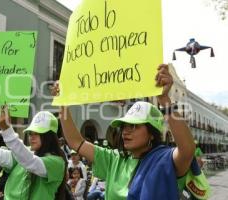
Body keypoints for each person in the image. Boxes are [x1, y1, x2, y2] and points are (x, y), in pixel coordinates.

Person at [52, 64, 195, 200]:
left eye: (134, 126)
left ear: (151, 133)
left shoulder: (164, 160)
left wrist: (165, 100)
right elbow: (76, 141)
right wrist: (61, 104)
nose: (125, 132)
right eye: (124, 126)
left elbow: (187, 150)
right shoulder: (114, 159)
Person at [0, 109, 67, 200]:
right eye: (30, 133)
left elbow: (31, 162)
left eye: (38, 133)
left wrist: (7, 129)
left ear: (49, 137)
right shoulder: (23, 154)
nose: (32, 137)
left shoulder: (57, 162)